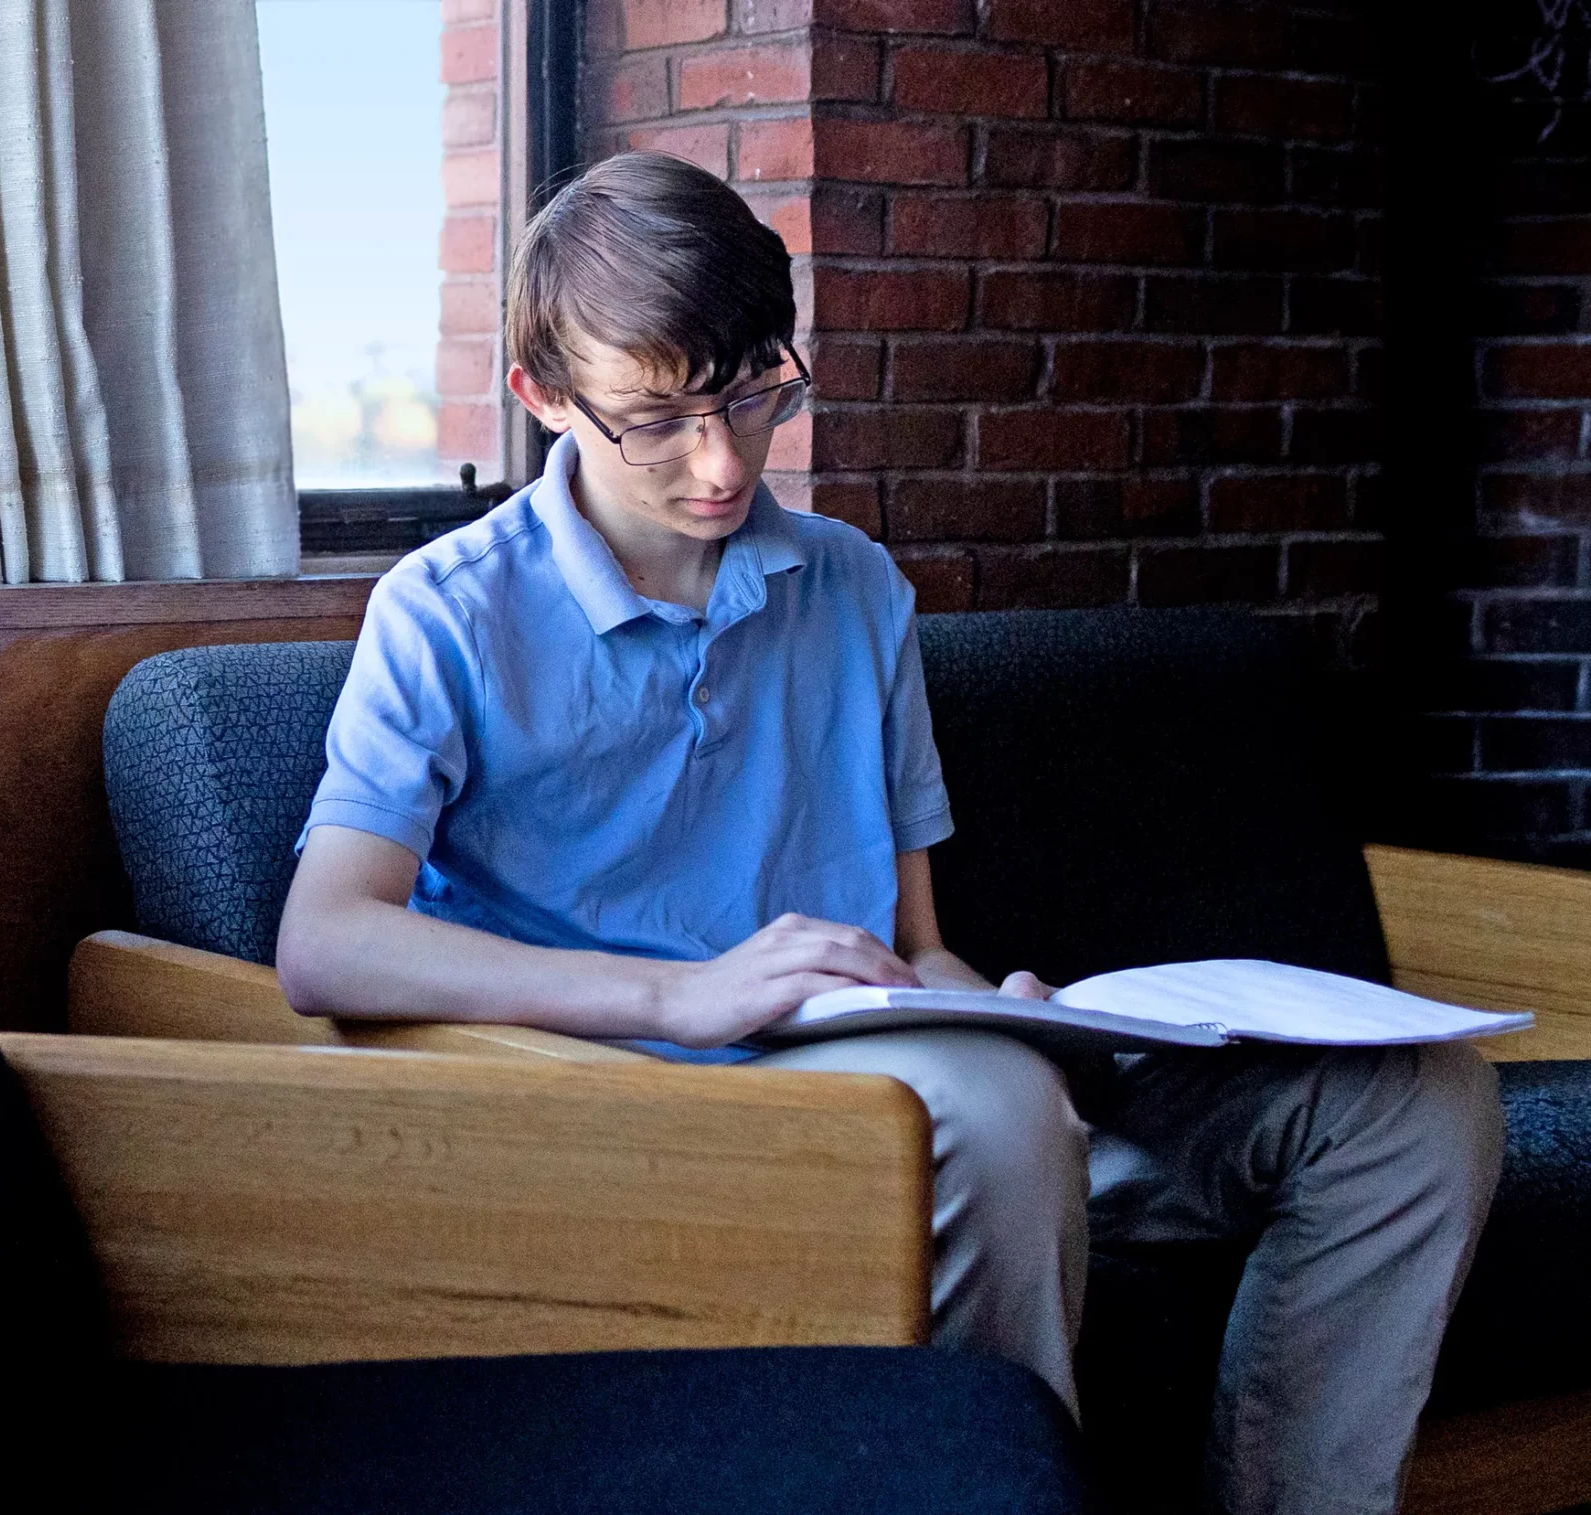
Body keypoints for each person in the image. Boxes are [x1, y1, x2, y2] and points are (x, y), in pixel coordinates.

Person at [273, 150, 1502, 1515]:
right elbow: (324, 941)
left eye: (756, 393)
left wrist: (1023, 1022)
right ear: (544, 397)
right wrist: (681, 991)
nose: (723, 460)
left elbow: (919, 945)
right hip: (648, 1128)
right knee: (992, 1112)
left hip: (925, 1090)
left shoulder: (856, 589)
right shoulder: (445, 612)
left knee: (1417, 1109)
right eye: (658, 417)